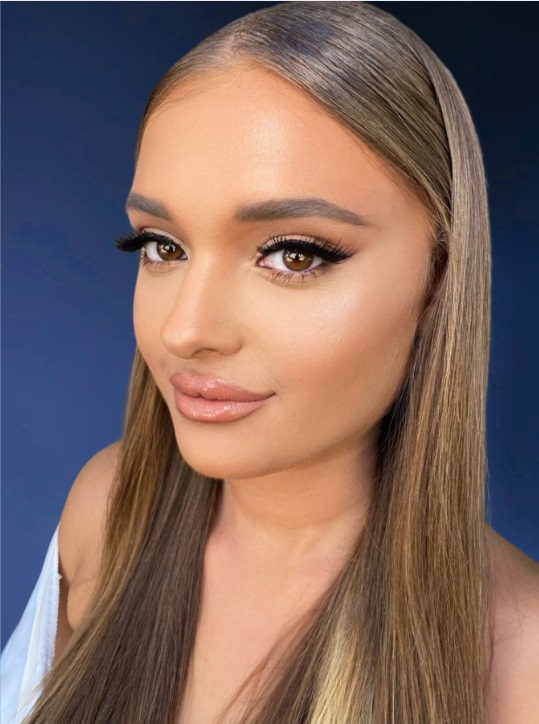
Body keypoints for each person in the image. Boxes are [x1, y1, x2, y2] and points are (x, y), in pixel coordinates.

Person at [2, 2, 538, 722]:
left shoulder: (523, 660)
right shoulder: (109, 512)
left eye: (293, 255)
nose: (186, 330)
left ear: (439, 277)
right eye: (163, 246)